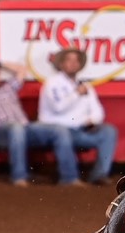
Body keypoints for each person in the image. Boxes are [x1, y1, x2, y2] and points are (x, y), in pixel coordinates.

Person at [0, 56, 83, 187]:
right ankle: (19, 177)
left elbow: (22, 70)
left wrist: (0, 63)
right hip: (0, 132)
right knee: (16, 128)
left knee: (59, 130)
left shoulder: (8, 88)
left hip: (26, 128)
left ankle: (70, 178)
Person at [37, 47, 119, 185]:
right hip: (54, 129)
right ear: (61, 64)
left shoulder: (85, 86)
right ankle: (69, 178)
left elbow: (98, 110)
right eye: (69, 60)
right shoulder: (53, 83)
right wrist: (76, 94)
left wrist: (93, 120)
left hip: (80, 129)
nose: (73, 63)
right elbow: (58, 107)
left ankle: (99, 175)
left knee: (109, 131)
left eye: (76, 60)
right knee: (61, 132)